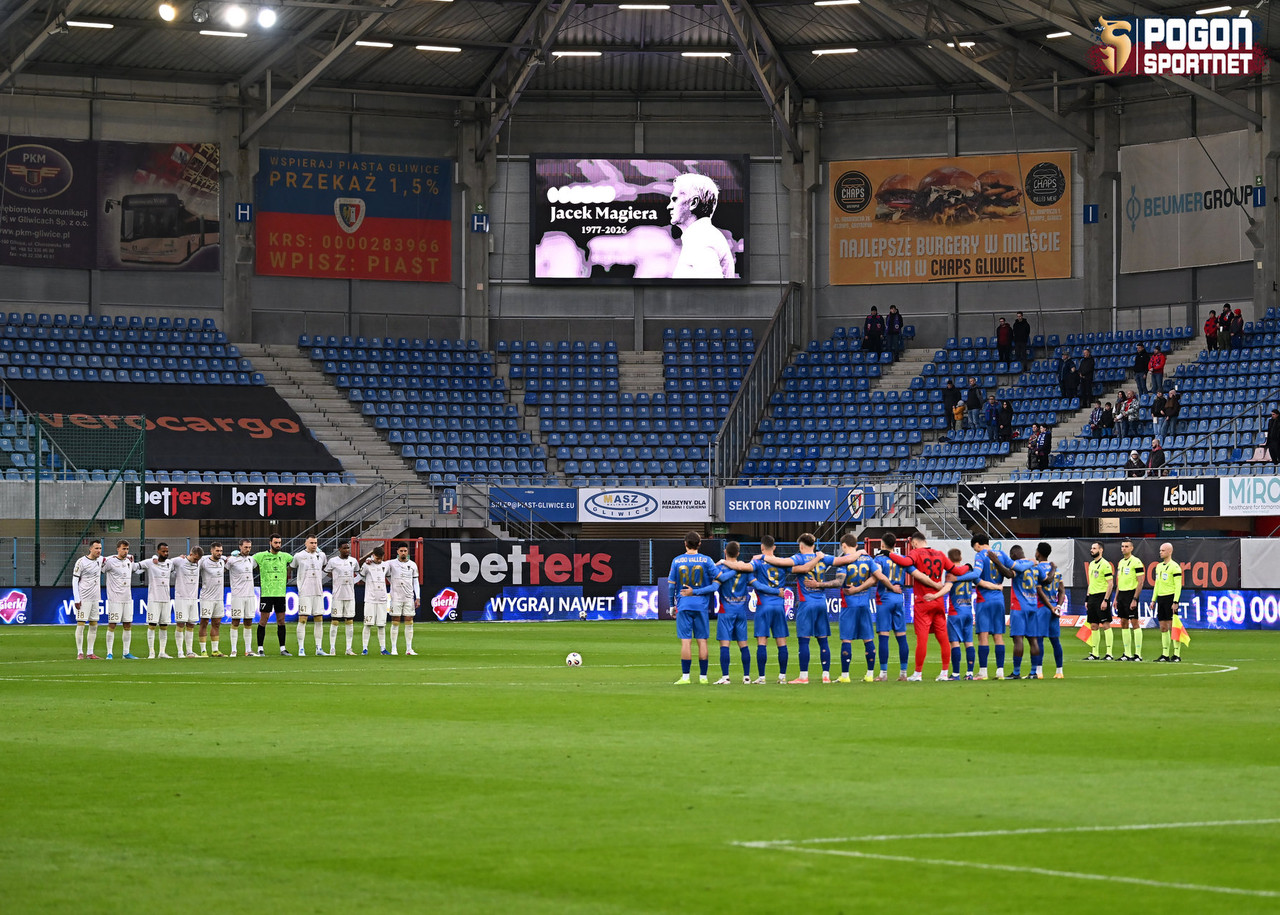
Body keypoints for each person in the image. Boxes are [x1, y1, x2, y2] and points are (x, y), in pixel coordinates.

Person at [882, 532, 956, 681]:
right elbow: (956, 570)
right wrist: (967, 567)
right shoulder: (940, 554)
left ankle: (918, 673)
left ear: (914, 543)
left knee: (922, 639)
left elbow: (906, 563)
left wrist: (888, 554)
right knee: (943, 638)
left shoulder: (915, 553)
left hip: (923, 600)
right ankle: (944, 673)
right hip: (939, 600)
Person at [763, 533, 831, 684]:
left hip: (806, 603)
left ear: (801, 546)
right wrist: (859, 552)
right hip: (821, 602)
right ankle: (826, 675)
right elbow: (843, 560)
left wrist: (763, 557)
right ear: (813, 545)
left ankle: (803, 676)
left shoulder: (798, 558)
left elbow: (781, 562)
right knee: (823, 640)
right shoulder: (823, 557)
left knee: (804, 641)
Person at [820, 535, 885, 684]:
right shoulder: (867, 559)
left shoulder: (844, 561)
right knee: (868, 638)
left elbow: (839, 581)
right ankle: (869, 674)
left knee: (846, 639)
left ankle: (845, 675)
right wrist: (861, 589)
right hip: (864, 604)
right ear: (856, 545)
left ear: (844, 545)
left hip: (848, 604)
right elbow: (875, 577)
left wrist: (819, 584)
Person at [989, 544, 1053, 679]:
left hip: (1019, 606)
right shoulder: (1035, 566)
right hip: (1033, 606)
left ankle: (1016, 672)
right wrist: (1053, 568)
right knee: (1033, 640)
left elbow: (1007, 574)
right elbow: (1047, 581)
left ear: (1013, 555)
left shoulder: (1016, 565)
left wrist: (997, 561)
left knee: (1018, 639)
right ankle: (1033, 672)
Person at [668, 530, 720, 685]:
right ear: (699, 544)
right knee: (702, 641)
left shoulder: (676, 561)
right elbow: (717, 580)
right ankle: (703, 677)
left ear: (685, 544)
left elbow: (671, 586)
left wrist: (672, 605)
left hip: (684, 605)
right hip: (701, 605)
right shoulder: (707, 560)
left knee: (686, 641)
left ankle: (685, 677)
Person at [667, 173, 735, 279]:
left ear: (693, 202)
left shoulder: (699, 238)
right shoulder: (705, 235)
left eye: (675, 199)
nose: (669, 206)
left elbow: (710, 288)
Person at [932, 549, 982, 680]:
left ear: (948, 560)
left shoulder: (951, 573)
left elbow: (947, 588)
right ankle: (970, 673)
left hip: (956, 612)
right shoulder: (969, 572)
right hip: (968, 611)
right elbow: (979, 580)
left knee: (955, 643)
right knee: (969, 642)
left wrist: (935, 594)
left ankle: (955, 674)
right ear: (961, 557)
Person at [709, 541, 754, 684]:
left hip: (726, 610)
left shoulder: (720, 568)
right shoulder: (746, 569)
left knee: (724, 644)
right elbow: (756, 584)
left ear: (724, 552)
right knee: (743, 644)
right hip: (741, 610)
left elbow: (715, 582)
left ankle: (725, 677)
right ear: (738, 553)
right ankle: (746, 677)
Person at [970, 534, 1009, 680]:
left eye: (975, 548)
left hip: (984, 599)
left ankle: (983, 672)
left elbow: (976, 576)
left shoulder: (980, 555)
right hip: (999, 599)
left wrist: (991, 585)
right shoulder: (1002, 554)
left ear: (978, 544)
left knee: (983, 636)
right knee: (998, 636)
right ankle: (1000, 672)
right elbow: (1011, 569)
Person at [872, 533, 911, 681]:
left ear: (882, 545)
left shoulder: (879, 559)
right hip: (899, 599)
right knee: (901, 637)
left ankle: (883, 674)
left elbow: (877, 577)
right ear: (895, 545)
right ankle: (903, 673)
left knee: (883, 637)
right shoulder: (901, 560)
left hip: (885, 598)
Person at [252, 535, 294, 656]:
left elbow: (297, 561)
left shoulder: (285, 556)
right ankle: (260, 648)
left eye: (279, 542)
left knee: (281, 620)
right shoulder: (261, 556)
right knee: (263, 620)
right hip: (267, 593)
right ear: (270, 543)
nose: (278, 545)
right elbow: (248, 561)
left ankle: (283, 648)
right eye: (276, 542)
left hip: (280, 593)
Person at [102, 539, 140, 660]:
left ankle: (126, 652)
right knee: (112, 624)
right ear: (118, 549)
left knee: (128, 624)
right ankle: (109, 653)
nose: (126, 551)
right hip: (115, 599)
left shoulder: (129, 561)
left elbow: (137, 568)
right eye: (123, 548)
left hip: (127, 598)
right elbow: (99, 569)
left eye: (127, 549)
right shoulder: (110, 561)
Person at [290, 536, 328, 657]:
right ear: (306, 543)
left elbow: (324, 567)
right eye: (311, 543)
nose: (314, 545)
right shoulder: (298, 556)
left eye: (316, 543)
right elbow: (291, 568)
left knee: (319, 619)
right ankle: (301, 648)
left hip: (318, 591)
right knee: (303, 619)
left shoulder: (322, 555)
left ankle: (319, 648)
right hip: (305, 591)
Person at [325, 541, 361, 656]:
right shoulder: (333, 561)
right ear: (339, 549)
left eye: (348, 548)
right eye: (344, 548)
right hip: (337, 595)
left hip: (350, 595)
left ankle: (349, 649)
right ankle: (332, 648)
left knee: (349, 621)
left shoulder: (353, 561)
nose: (347, 550)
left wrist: (353, 582)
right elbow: (327, 572)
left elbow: (359, 573)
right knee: (335, 621)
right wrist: (336, 579)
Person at [1083, 541, 1115, 661]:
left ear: (1100, 550)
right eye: (1091, 548)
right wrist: (1087, 598)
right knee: (1093, 625)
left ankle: (1109, 653)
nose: (1092, 550)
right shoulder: (1091, 564)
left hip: (1102, 596)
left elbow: (1110, 584)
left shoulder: (1105, 565)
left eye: (1094, 548)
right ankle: (1094, 653)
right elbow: (1090, 583)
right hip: (1092, 597)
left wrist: (1105, 600)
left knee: (1106, 624)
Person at [387, 544, 421, 656]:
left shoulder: (412, 565)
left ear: (408, 552)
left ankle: (409, 649)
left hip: (408, 597)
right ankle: (393, 649)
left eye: (405, 551)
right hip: (396, 597)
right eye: (401, 550)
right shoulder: (390, 563)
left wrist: (418, 597)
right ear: (397, 551)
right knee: (395, 620)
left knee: (409, 620)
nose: (403, 553)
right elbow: (379, 567)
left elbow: (415, 582)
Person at [72, 539, 104, 660]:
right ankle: (80, 652)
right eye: (96, 548)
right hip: (84, 597)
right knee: (81, 624)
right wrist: (76, 598)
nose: (99, 551)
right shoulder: (81, 562)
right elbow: (75, 580)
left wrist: (130, 556)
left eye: (100, 548)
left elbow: (114, 558)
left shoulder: (100, 560)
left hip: (95, 597)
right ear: (90, 549)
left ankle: (90, 652)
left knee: (94, 624)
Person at [1152, 541, 1184, 663]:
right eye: (1160, 550)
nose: (1160, 552)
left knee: (1173, 627)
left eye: (1163, 550)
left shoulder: (1175, 567)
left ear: (1170, 551)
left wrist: (1175, 601)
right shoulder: (1158, 567)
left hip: (1171, 597)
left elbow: (1178, 586)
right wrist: (1153, 599)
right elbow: (1157, 584)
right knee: (1163, 627)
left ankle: (1176, 654)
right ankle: (1165, 654)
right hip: (1161, 598)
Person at [1115, 538, 1146, 661]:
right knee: (1123, 622)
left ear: (1132, 548)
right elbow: (1119, 581)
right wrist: (1116, 598)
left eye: (1126, 546)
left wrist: (1135, 598)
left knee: (1134, 622)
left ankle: (1138, 654)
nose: (1124, 548)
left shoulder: (1136, 562)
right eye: (1122, 546)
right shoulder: (1121, 562)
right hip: (1121, 594)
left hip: (1131, 594)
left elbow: (1141, 582)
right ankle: (1127, 653)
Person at [225, 539, 258, 658]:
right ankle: (233, 650)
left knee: (249, 621)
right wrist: (227, 558)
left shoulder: (251, 559)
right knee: (235, 621)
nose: (248, 549)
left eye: (249, 547)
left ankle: (248, 650)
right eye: (246, 547)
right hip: (237, 595)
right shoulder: (232, 560)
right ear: (240, 547)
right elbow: (223, 567)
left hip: (250, 595)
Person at [141, 543, 174, 660]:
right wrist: (153, 558)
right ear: (158, 551)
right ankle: (151, 652)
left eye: (167, 551)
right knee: (152, 625)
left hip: (166, 599)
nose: (166, 553)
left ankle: (162, 652)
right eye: (163, 551)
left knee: (164, 626)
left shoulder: (170, 563)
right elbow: (137, 567)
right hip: (153, 599)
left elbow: (180, 563)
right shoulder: (150, 562)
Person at [171, 546, 202, 659]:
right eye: (195, 559)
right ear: (191, 554)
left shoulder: (198, 562)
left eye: (198, 560)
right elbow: (165, 563)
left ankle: (189, 651)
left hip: (193, 598)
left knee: (191, 624)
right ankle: (180, 652)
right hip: (181, 598)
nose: (196, 561)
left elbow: (214, 557)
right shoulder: (179, 561)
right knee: (180, 624)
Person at [197, 542, 227, 657]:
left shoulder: (222, 561)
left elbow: (228, 558)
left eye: (221, 551)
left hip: (219, 598)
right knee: (204, 623)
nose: (219, 553)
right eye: (217, 551)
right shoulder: (203, 562)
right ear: (211, 551)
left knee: (217, 623)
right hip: (207, 598)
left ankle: (215, 650)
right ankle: (203, 650)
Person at [359, 546, 390, 655]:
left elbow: (389, 577)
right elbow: (360, 577)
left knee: (381, 625)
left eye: (381, 558)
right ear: (373, 556)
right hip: (370, 599)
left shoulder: (386, 565)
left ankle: (383, 648)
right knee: (368, 624)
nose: (379, 560)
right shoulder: (367, 565)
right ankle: (365, 648)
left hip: (382, 598)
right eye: (377, 558)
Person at [1044, 561, 1067, 679]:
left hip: (1042, 608)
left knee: (1038, 640)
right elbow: (1062, 591)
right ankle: (1059, 671)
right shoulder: (1058, 574)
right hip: (1054, 607)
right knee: (1055, 641)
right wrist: (1058, 605)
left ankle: (1038, 671)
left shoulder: (1039, 571)